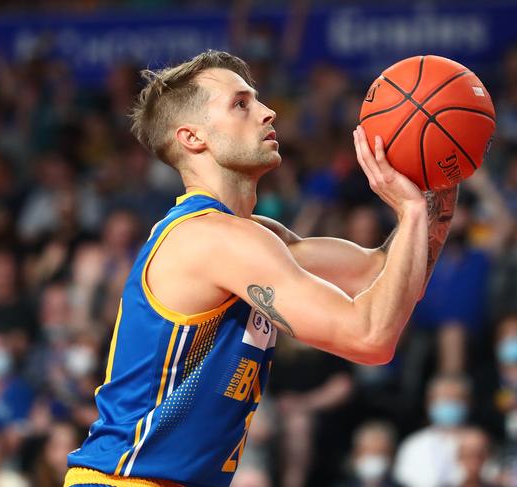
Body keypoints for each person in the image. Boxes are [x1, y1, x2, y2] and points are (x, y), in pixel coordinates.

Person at [65, 50, 458, 487]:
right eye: (241, 103)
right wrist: (410, 211)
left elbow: (385, 273)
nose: (268, 111)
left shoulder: (252, 236)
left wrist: (437, 181)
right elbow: (370, 337)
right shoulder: (214, 240)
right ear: (194, 137)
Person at [393, 373, 471, 487]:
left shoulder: (477, 442)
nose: (449, 404)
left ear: (468, 402)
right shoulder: (413, 444)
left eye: (455, 398)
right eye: (444, 398)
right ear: (429, 402)